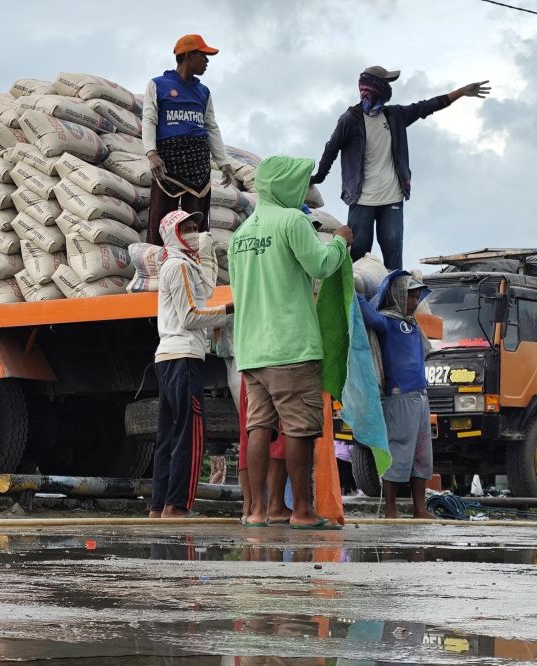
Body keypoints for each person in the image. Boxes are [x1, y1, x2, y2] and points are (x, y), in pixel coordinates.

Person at [228, 155, 354, 529]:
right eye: (300, 183)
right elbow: (320, 265)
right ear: (286, 186)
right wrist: (340, 243)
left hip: (251, 349)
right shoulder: (293, 221)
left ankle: (256, 511)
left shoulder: (240, 235)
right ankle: (301, 510)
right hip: (291, 345)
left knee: (258, 427)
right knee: (300, 427)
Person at [311, 66, 490, 270]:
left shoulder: (395, 115)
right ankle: (354, 299)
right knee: (358, 254)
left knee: (393, 255)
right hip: (362, 199)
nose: (388, 88)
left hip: (392, 199)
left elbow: (427, 106)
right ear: (373, 87)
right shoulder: (350, 120)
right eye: (385, 83)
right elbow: (331, 148)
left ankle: (395, 299)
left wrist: (461, 92)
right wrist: (319, 176)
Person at [149, 210, 232, 519]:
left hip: (170, 357)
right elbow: (191, 316)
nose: (195, 234)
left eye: (197, 228)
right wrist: (229, 310)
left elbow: (204, 293)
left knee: (169, 435)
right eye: (189, 229)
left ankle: (159, 506)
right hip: (183, 357)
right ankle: (178, 505)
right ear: (173, 234)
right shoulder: (179, 267)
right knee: (191, 433)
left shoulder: (181, 265)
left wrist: (208, 258)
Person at [142, 34, 237, 246]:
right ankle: (158, 264)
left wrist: (224, 162)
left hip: (198, 163)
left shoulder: (203, 91)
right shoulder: (158, 85)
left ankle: (198, 263)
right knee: (161, 218)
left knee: (197, 222)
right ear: (188, 55)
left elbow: (211, 126)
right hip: (167, 162)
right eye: (203, 56)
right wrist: (152, 154)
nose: (207, 61)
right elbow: (149, 119)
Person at [358, 271, 436, 519]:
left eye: (416, 297)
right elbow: (365, 313)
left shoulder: (412, 324)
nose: (415, 302)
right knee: (398, 452)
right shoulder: (386, 321)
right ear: (399, 296)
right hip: (398, 397)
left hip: (420, 397)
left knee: (422, 455)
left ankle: (419, 509)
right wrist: (351, 289)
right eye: (411, 296)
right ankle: (390, 509)